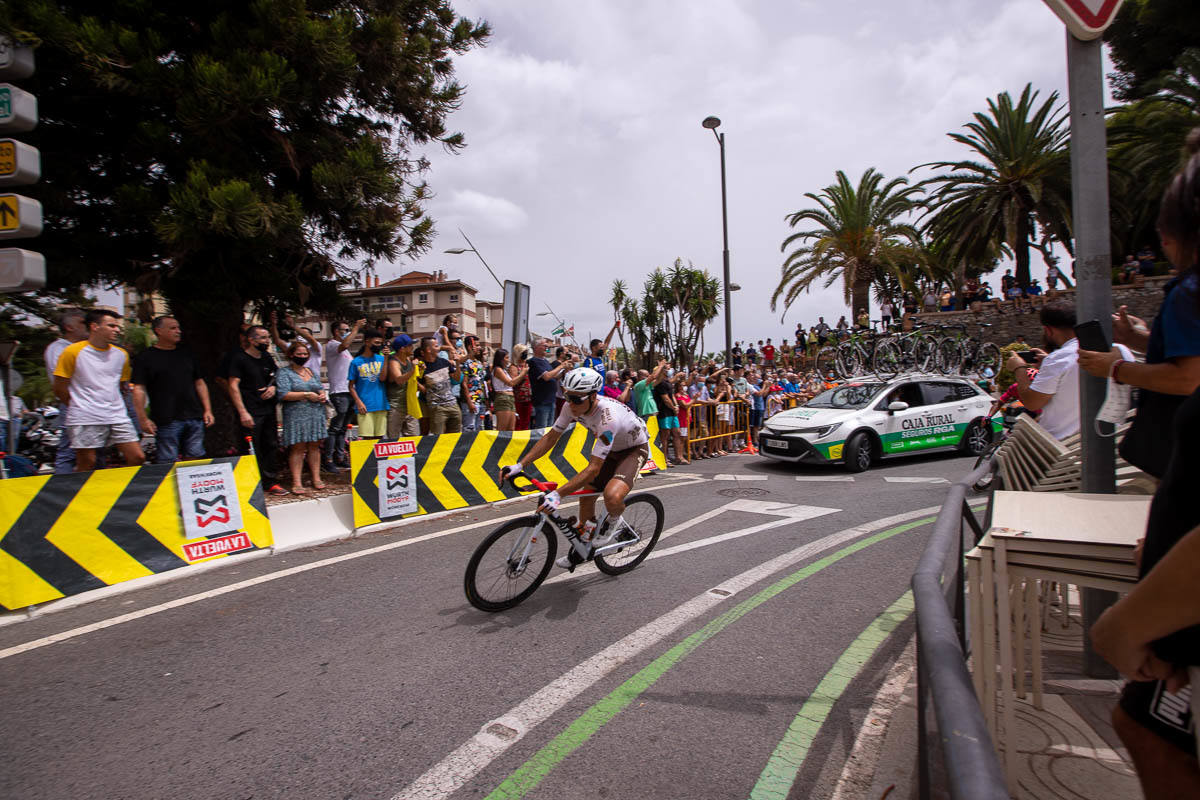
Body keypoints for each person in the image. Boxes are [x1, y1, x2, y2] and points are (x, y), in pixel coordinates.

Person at [1078, 137, 1200, 477]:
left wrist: (1115, 369)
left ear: (1169, 235)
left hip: (1182, 456)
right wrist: (1142, 341)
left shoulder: (1189, 291)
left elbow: (1190, 378)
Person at [499, 367, 650, 571]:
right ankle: (583, 548)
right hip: (612, 449)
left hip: (633, 449)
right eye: (568, 396)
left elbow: (594, 468)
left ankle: (615, 520)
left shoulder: (607, 418)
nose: (571, 403)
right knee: (586, 495)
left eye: (577, 399)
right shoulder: (570, 407)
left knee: (612, 496)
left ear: (593, 396)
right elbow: (550, 438)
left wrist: (558, 495)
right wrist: (519, 465)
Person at [1005, 301, 1132, 440]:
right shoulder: (1122, 351)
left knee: (997, 460)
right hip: (1112, 439)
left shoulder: (1058, 359)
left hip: (1061, 448)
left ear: (1049, 330)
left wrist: (1019, 368)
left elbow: (1031, 402)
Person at [52, 310, 146, 472]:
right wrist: (77, 405)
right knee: (87, 463)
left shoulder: (121, 354)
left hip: (116, 415)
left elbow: (122, 386)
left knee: (137, 457)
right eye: (111, 326)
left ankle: (121, 490)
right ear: (94, 326)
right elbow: (60, 387)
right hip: (85, 416)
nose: (117, 330)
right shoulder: (72, 352)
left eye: (117, 327)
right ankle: (81, 494)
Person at [130, 316, 214, 463]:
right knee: (167, 459)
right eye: (173, 328)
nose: (178, 331)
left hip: (194, 416)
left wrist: (207, 410)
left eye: (178, 328)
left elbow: (199, 383)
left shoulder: (187, 354)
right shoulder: (146, 357)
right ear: (159, 331)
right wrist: (143, 418)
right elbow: (139, 389)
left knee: (195, 455)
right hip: (166, 419)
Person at [224, 324, 285, 493]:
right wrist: (242, 411)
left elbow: (276, 377)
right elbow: (232, 385)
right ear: (251, 340)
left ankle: (270, 481)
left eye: (268, 337)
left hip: (268, 410)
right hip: (250, 411)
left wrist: (273, 388)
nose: (267, 341)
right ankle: (251, 484)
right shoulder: (239, 359)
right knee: (250, 447)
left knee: (270, 445)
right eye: (263, 338)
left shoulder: (267, 357)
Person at [275, 340, 328, 494]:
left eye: (305, 354)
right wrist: (305, 394)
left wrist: (322, 394)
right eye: (299, 354)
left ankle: (316, 478)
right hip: (296, 414)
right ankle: (297, 481)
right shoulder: (284, 372)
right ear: (291, 355)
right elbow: (283, 394)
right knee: (298, 447)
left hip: (315, 413)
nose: (303, 356)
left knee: (314, 446)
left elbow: (319, 387)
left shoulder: (311, 371)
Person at [43, 309, 88, 474]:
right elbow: (61, 381)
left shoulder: (84, 347)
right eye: (82, 322)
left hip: (90, 405)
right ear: (69, 327)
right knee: (70, 451)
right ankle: (64, 490)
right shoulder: (59, 348)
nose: (88, 326)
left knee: (92, 451)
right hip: (74, 404)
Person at [323, 318, 364, 471]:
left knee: (342, 428)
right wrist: (356, 328)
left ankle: (340, 457)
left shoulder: (345, 352)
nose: (347, 332)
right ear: (336, 331)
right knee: (335, 428)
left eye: (348, 330)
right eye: (344, 330)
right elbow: (345, 344)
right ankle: (328, 459)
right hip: (339, 392)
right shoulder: (333, 345)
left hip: (349, 391)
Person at [415, 335, 462, 435]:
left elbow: (457, 379)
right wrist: (417, 381)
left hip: (453, 405)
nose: (439, 348)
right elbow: (420, 389)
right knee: (438, 438)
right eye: (436, 346)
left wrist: (457, 363)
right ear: (428, 349)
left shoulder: (444, 362)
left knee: (455, 436)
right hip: (437, 408)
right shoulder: (421, 367)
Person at [347, 329, 389, 440]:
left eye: (380, 343)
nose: (378, 346)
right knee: (368, 439)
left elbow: (383, 378)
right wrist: (358, 402)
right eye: (376, 343)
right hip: (365, 406)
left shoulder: (381, 359)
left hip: (381, 404)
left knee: (380, 438)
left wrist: (386, 358)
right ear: (367, 342)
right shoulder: (356, 362)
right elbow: (351, 386)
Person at [527, 339, 571, 429]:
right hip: (542, 401)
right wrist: (561, 366)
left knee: (549, 428)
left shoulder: (545, 361)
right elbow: (546, 377)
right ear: (536, 347)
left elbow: (554, 377)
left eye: (547, 345)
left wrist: (564, 370)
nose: (547, 347)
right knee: (541, 429)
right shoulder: (534, 361)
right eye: (544, 345)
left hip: (551, 400)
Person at [385, 334, 421, 439]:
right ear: (402, 349)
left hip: (409, 405)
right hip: (396, 406)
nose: (412, 348)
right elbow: (399, 380)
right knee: (393, 439)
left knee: (413, 438)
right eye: (410, 345)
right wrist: (413, 369)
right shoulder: (393, 362)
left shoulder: (408, 359)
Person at [460, 335, 489, 433]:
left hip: (481, 401)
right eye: (477, 345)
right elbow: (464, 383)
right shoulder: (465, 363)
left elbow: (482, 382)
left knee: (479, 429)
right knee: (469, 430)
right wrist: (469, 402)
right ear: (470, 347)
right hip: (471, 402)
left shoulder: (479, 363)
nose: (479, 347)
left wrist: (486, 400)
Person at [490, 348, 525, 431]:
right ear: (500, 359)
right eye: (506, 358)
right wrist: (523, 373)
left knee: (511, 429)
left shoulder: (504, 370)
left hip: (510, 399)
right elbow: (510, 383)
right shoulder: (497, 369)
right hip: (503, 398)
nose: (508, 360)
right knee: (502, 429)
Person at [652, 371, 680, 463]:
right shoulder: (659, 384)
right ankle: (664, 458)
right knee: (665, 436)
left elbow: (671, 395)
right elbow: (665, 399)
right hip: (664, 412)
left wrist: (676, 406)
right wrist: (673, 407)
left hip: (672, 412)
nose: (667, 371)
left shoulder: (668, 382)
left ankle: (678, 457)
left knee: (677, 433)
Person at [511, 344, 534, 430]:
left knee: (526, 423)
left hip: (528, 398)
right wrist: (523, 373)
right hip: (518, 399)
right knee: (519, 424)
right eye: (524, 352)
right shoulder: (514, 367)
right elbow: (513, 382)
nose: (525, 354)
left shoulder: (526, 365)